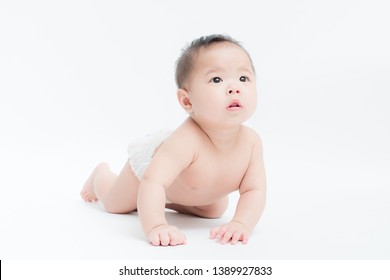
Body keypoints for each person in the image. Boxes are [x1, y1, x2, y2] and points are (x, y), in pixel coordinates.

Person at [80, 34, 266, 246]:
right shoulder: (185, 142)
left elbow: (254, 190)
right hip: (148, 168)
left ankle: (163, 201)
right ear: (187, 101)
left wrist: (241, 223)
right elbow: (154, 181)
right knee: (116, 204)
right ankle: (99, 175)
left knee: (214, 209)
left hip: (194, 191)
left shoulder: (252, 142)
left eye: (244, 78)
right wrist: (157, 225)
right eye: (217, 79)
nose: (235, 88)